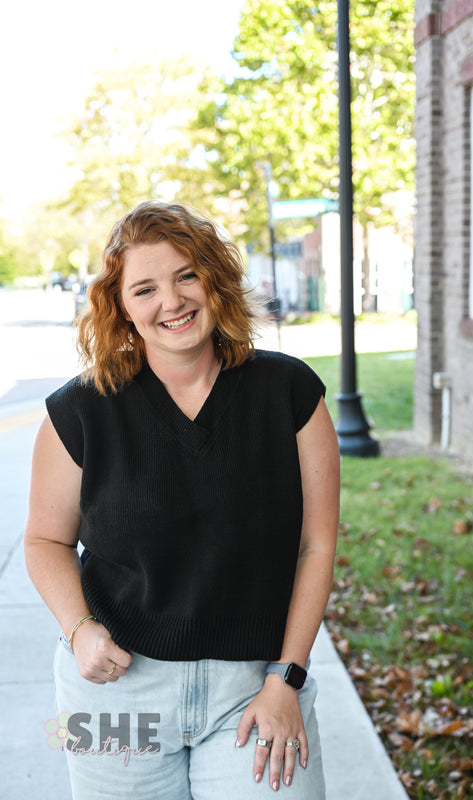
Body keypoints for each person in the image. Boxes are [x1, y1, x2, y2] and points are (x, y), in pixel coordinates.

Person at [24, 200, 340, 799]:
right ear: (122, 307)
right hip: (116, 694)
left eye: (186, 276)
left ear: (215, 280)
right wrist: (79, 629)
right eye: (144, 288)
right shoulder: (80, 411)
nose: (170, 301)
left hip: (253, 687)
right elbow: (44, 540)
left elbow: (316, 545)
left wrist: (287, 678)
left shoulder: (290, 393)